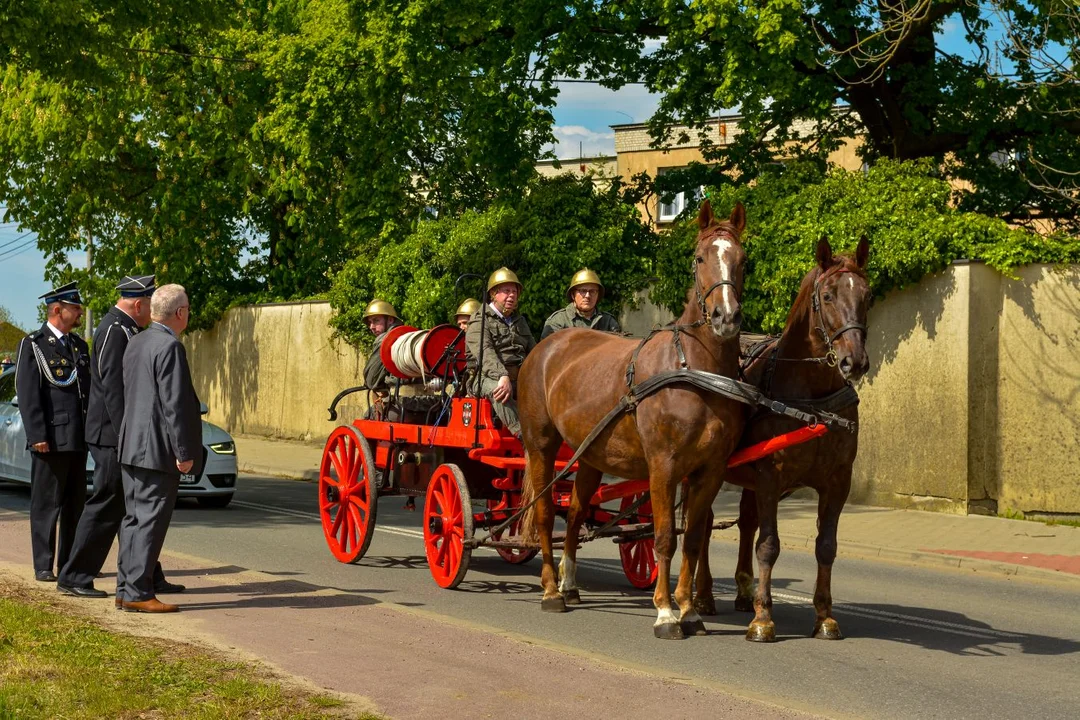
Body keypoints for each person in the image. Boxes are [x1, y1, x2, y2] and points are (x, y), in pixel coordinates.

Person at [57, 275, 184, 601]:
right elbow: (115, 390)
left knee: (138, 507)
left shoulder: (127, 329)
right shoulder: (115, 330)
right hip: (112, 434)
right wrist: (130, 433)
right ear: (138, 303)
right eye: (148, 306)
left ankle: (149, 577)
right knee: (107, 505)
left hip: (119, 434)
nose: (151, 313)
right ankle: (74, 575)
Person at [116, 284, 201, 613]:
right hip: (156, 449)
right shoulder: (169, 346)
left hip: (132, 446)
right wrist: (184, 452)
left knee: (133, 520)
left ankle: (125, 590)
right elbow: (174, 405)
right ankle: (138, 593)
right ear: (180, 313)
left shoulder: (137, 341)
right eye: (188, 309)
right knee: (149, 522)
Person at [14, 282, 91, 582]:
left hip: (77, 439)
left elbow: (86, 393)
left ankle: (68, 564)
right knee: (47, 506)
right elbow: (28, 393)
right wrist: (37, 436)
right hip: (50, 440)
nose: (79, 312)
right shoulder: (33, 345)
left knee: (75, 507)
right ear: (57, 309)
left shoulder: (79, 346)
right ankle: (43, 565)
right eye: (75, 308)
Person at [465, 268, 535, 435]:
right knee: (499, 390)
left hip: (518, 376)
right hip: (483, 377)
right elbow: (485, 352)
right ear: (494, 294)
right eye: (506, 291)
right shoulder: (479, 320)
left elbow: (533, 349)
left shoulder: (520, 321)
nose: (511, 295)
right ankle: (523, 436)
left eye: (514, 291)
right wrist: (501, 375)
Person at [540, 268, 621, 340]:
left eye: (592, 291)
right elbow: (548, 354)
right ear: (573, 294)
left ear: (598, 295)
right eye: (583, 291)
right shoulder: (558, 321)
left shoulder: (608, 322)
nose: (588, 296)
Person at [362, 300, 404, 397]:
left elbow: (371, 380)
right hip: (427, 400)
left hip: (400, 401)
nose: (371, 327)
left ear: (390, 320)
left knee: (369, 412)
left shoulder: (384, 341)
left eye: (376, 320)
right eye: (370, 322)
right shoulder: (408, 336)